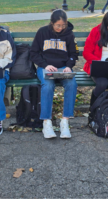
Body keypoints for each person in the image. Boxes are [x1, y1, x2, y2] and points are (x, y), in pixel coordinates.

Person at [30, 9, 78, 139]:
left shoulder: (69, 34)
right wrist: (46, 65)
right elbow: (33, 53)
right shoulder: (42, 32)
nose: (61, 28)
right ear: (52, 23)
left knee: (72, 83)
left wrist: (68, 66)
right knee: (48, 85)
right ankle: (47, 122)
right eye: (58, 25)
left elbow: (73, 54)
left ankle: (65, 121)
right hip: (46, 67)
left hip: (63, 68)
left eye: (63, 25)